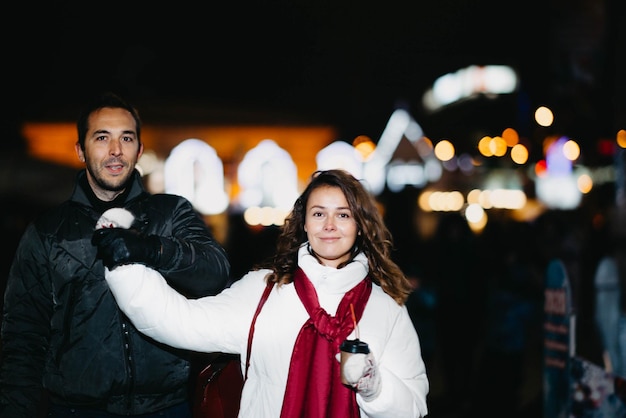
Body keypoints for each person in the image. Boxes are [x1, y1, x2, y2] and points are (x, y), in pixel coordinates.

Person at [102, 169, 429, 417]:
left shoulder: (385, 307)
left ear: (360, 225)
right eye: (319, 213)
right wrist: (125, 264)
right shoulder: (264, 291)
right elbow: (179, 321)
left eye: (343, 214)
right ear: (304, 223)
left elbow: (414, 406)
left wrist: (374, 387)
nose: (329, 225)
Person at [0, 92, 231, 418]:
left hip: (167, 406)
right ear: (80, 150)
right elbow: (22, 335)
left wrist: (150, 248)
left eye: (126, 137)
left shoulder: (171, 212)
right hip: (78, 410)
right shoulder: (48, 231)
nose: (115, 150)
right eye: (101, 137)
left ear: (138, 149)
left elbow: (215, 273)